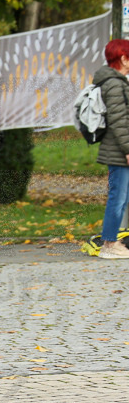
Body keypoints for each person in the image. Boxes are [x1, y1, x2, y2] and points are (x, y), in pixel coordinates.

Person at [94, 39, 129, 259]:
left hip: (119, 148)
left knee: (122, 198)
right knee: (118, 198)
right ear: (123, 58)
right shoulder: (114, 84)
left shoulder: (116, 82)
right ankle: (109, 244)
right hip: (118, 151)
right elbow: (119, 120)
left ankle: (112, 242)